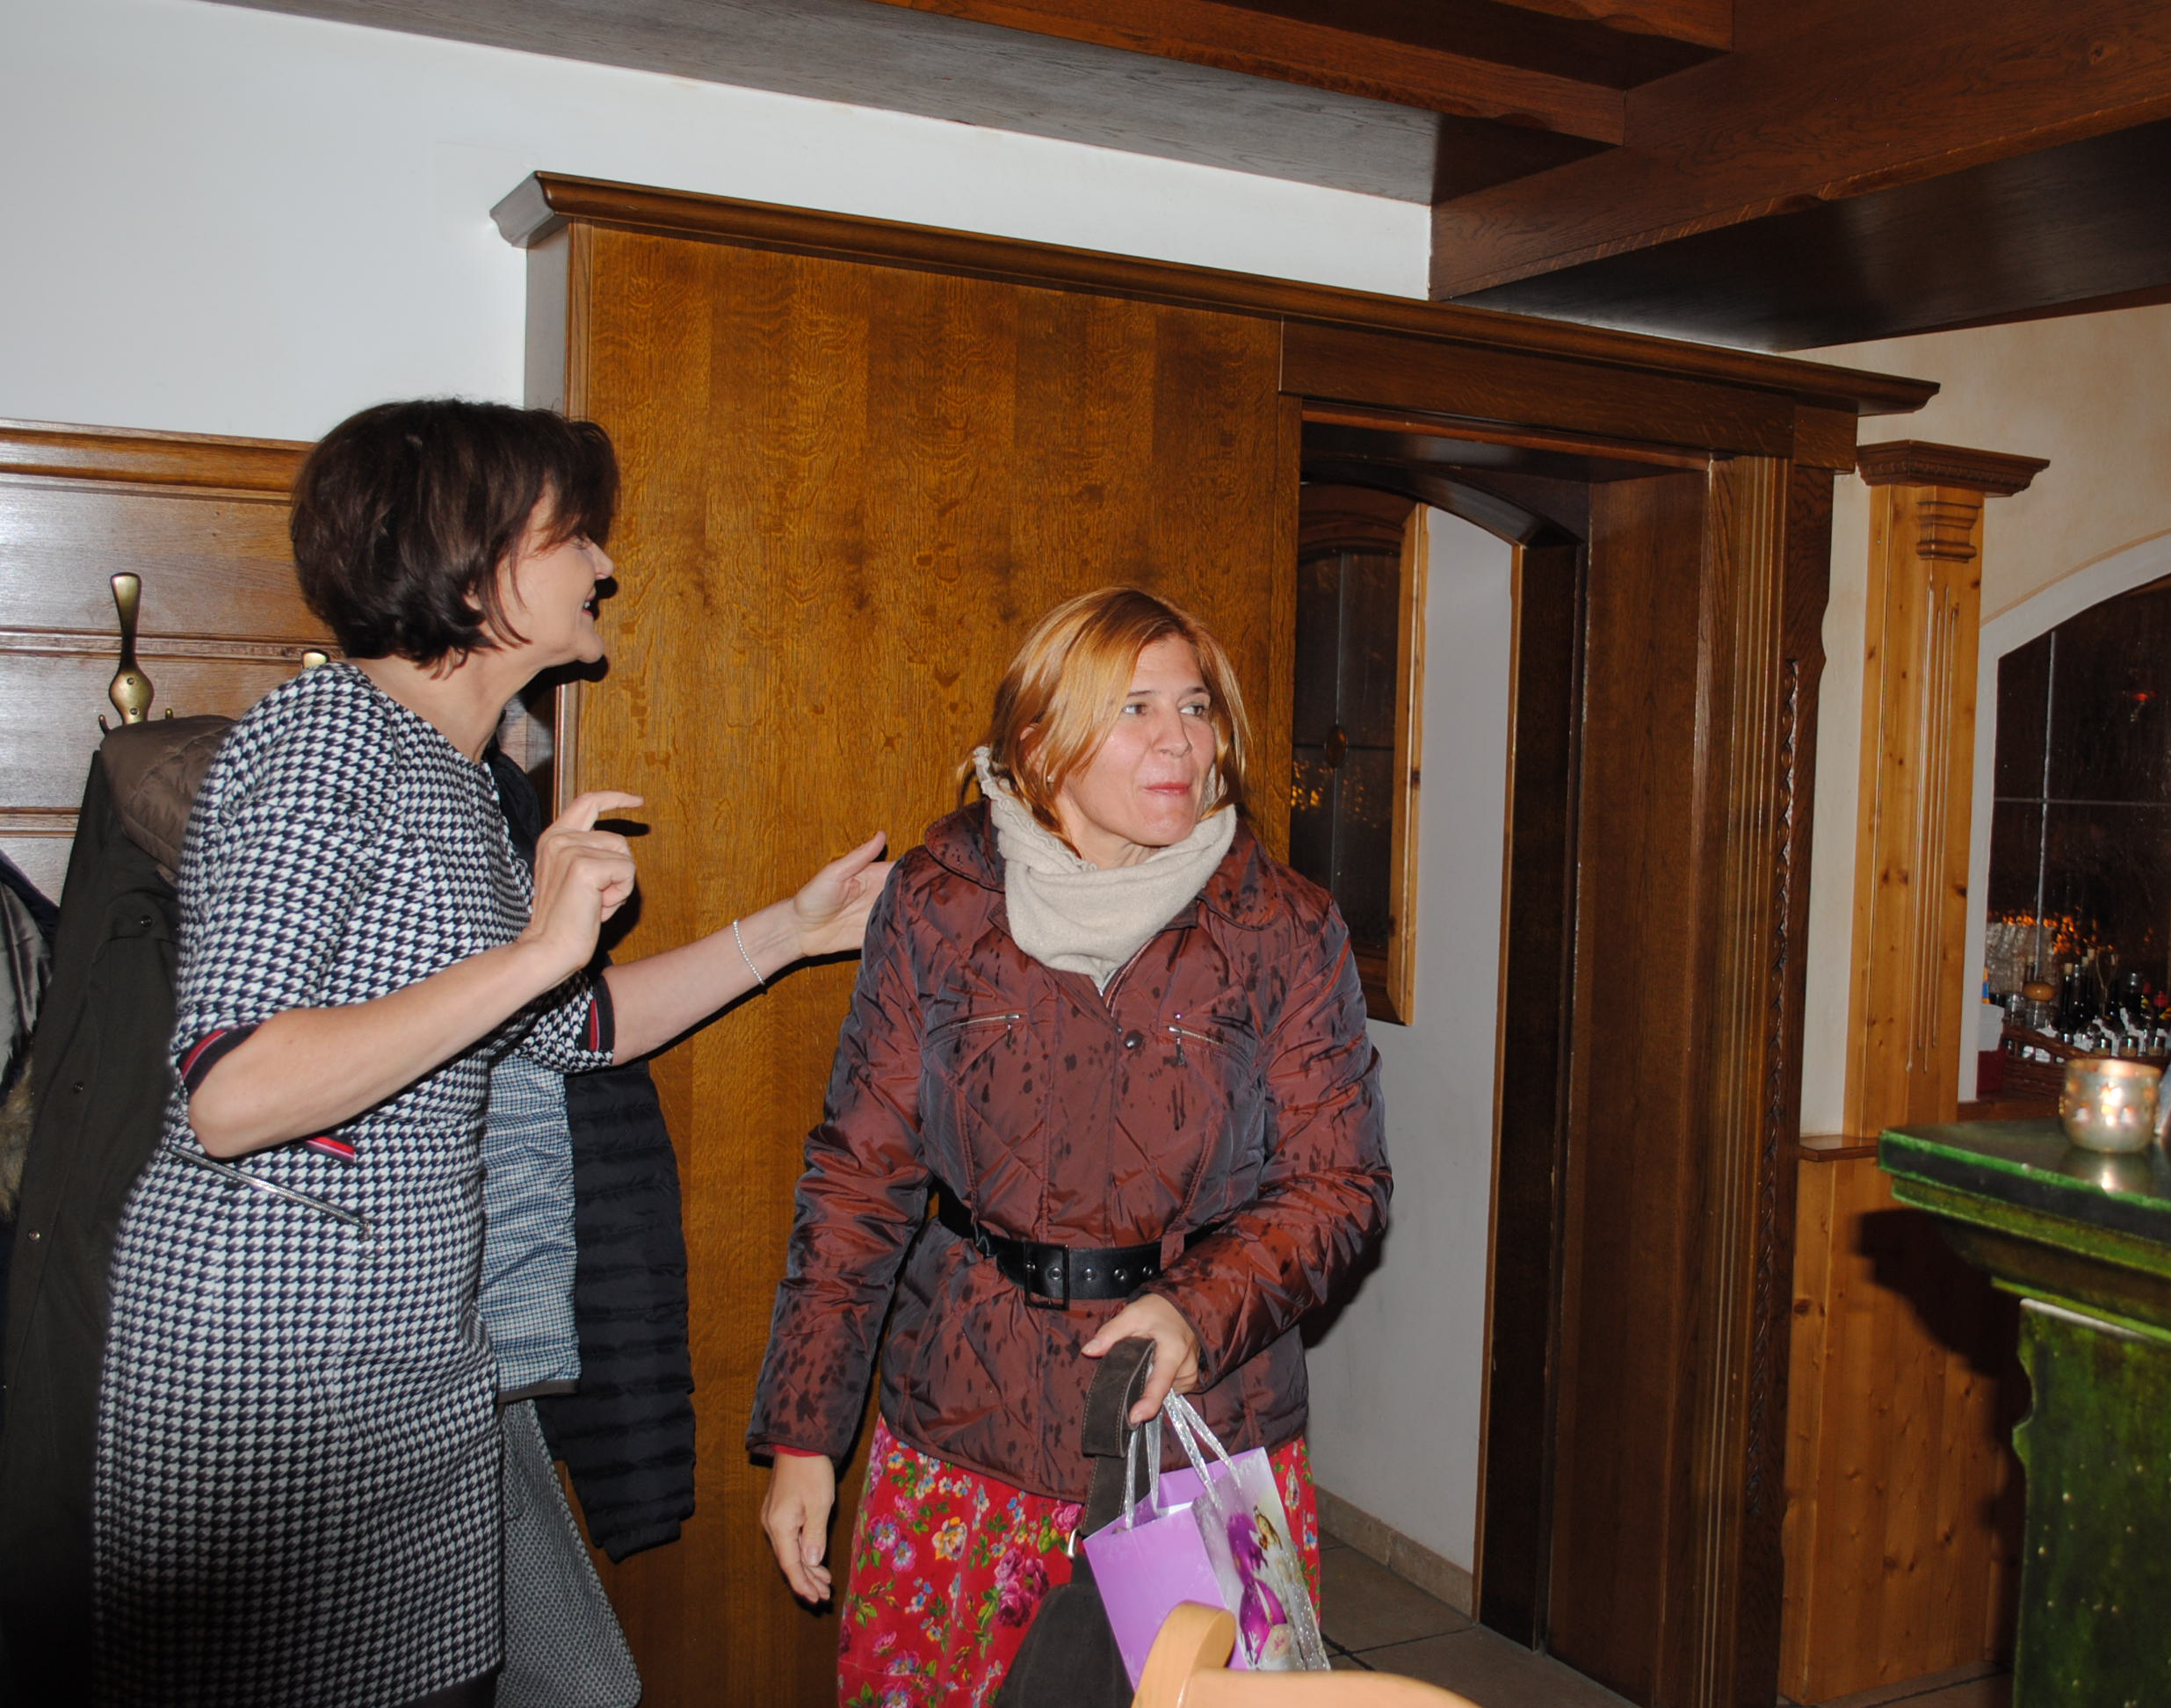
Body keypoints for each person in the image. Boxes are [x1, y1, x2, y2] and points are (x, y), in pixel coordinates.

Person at [89, 399, 888, 1708]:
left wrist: (791, 933)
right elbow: (231, 1087)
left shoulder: (458, 779)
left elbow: (569, 1029)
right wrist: (530, 952)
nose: (605, 567)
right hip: (275, 1378)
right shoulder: (324, 740)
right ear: (473, 570)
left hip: (417, 1361)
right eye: (574, 537)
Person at [751, 585, 1392, 1705]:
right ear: (1041, 741)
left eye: (1195, 707)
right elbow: (859, 1176)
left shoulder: (1282, 927)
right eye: (1134, 708)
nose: (1179, 740)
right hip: (964, 1430)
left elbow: (1338, 1186)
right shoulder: (940, 902)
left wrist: (1198, 1310)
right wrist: (807, 1435)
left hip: (1199, 1433)